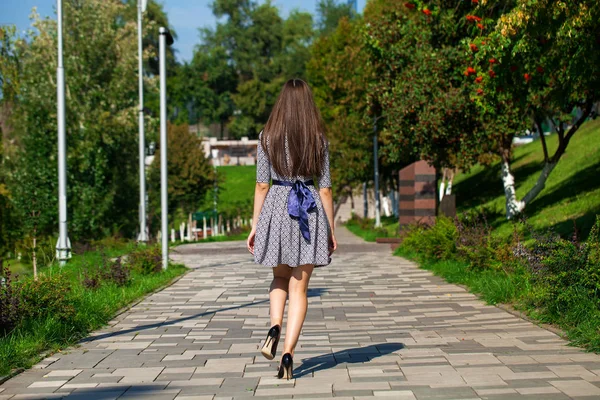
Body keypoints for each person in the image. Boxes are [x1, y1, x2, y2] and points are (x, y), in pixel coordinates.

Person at [247, 78, 337, 380]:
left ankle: (274, 325)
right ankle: (288, 353)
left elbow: (262, 183)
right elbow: (324, 189)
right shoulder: (319, 140)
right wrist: (331, 229)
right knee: (299, 287)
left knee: (279, 277)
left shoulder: (267, 137)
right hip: (308, 210)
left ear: (281, 104)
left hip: (276, 207)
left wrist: (255, 224)